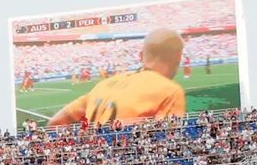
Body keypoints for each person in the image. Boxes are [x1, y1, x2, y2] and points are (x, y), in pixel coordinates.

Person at [49, 28, 189, 127]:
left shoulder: (104, 85)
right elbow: (166, 141)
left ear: (141, 56)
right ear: (177, 57)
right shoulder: (170, 91)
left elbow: (56, 123)